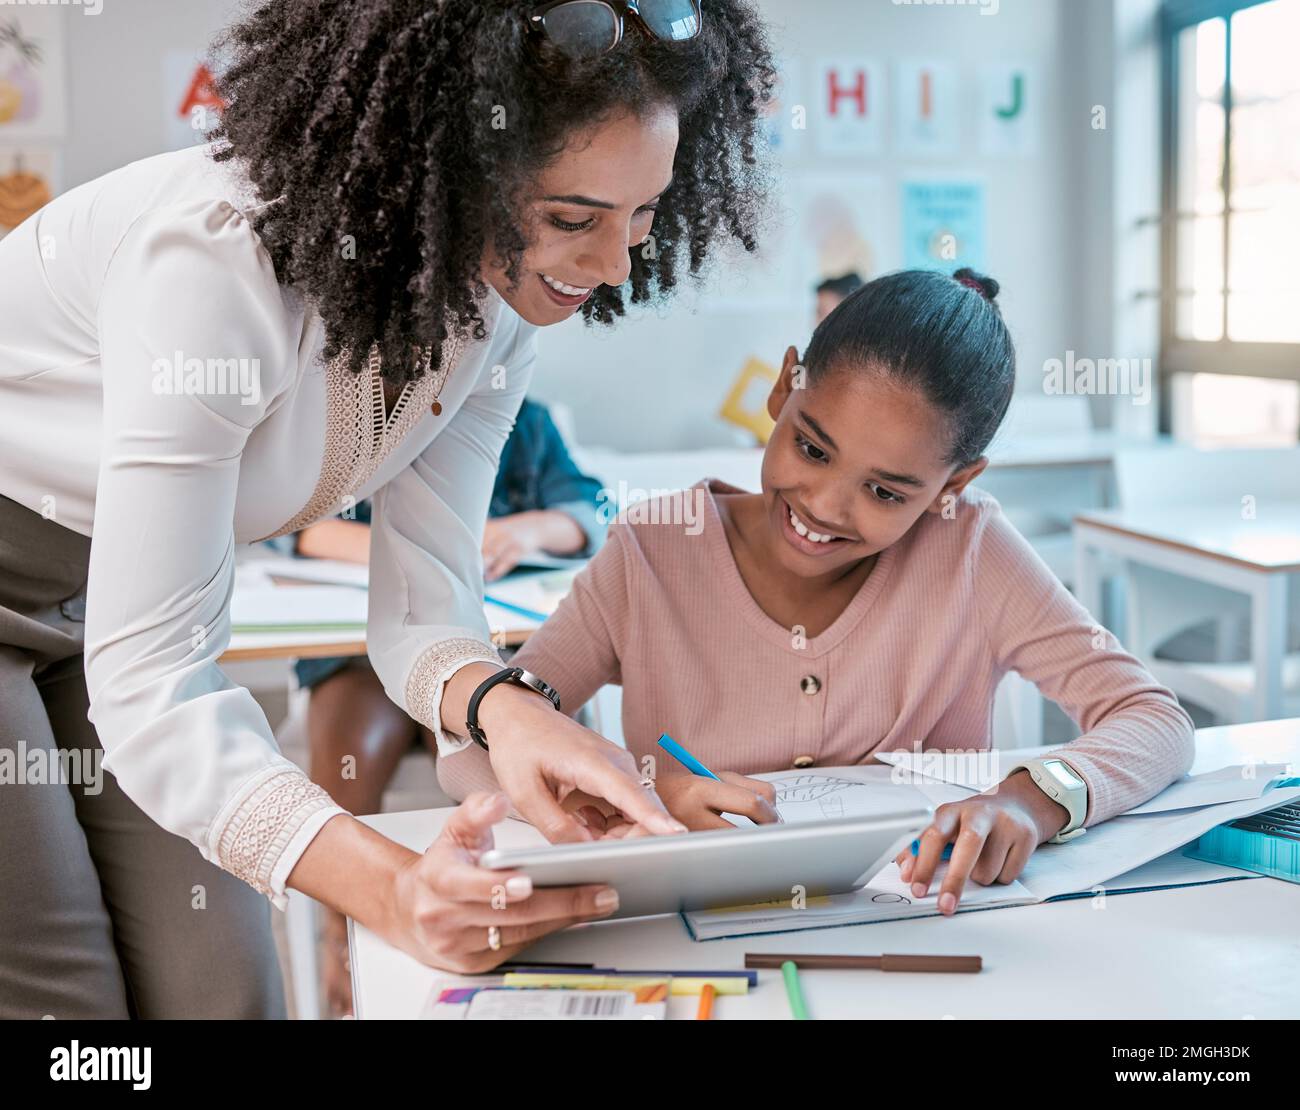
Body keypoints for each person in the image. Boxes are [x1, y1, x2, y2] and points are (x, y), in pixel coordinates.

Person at [0, 0, 776, 1017]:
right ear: (450, 167)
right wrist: (396, 894)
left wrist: (508, 714)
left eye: (643, 216)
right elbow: (152, 688)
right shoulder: (215, 264)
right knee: (69, 1001)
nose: (612, 267)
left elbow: (423, 607)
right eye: (574, 219)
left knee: (223, 989)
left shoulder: (492, 316)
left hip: (107, 594)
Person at [439, 268, 1197, 915]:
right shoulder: (654, 550)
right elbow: (472, 757)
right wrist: (642, 791)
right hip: (698, 931)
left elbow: (1153, 718)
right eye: (810, 446)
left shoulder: (971, 548)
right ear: (783, 386)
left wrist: (1030, 799)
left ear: (954, 484)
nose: (827, 507)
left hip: (928, 930)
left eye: (886, 491)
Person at [291, 397, 608, 1015]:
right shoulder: (346, 411)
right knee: (352, 757)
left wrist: (518, 533)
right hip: (358, 660)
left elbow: (588, 510)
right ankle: (344, 933)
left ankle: (516, 922)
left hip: (497, 661)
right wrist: (424, 554)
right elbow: (307, 531)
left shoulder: (526, 418)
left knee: (507, 772)